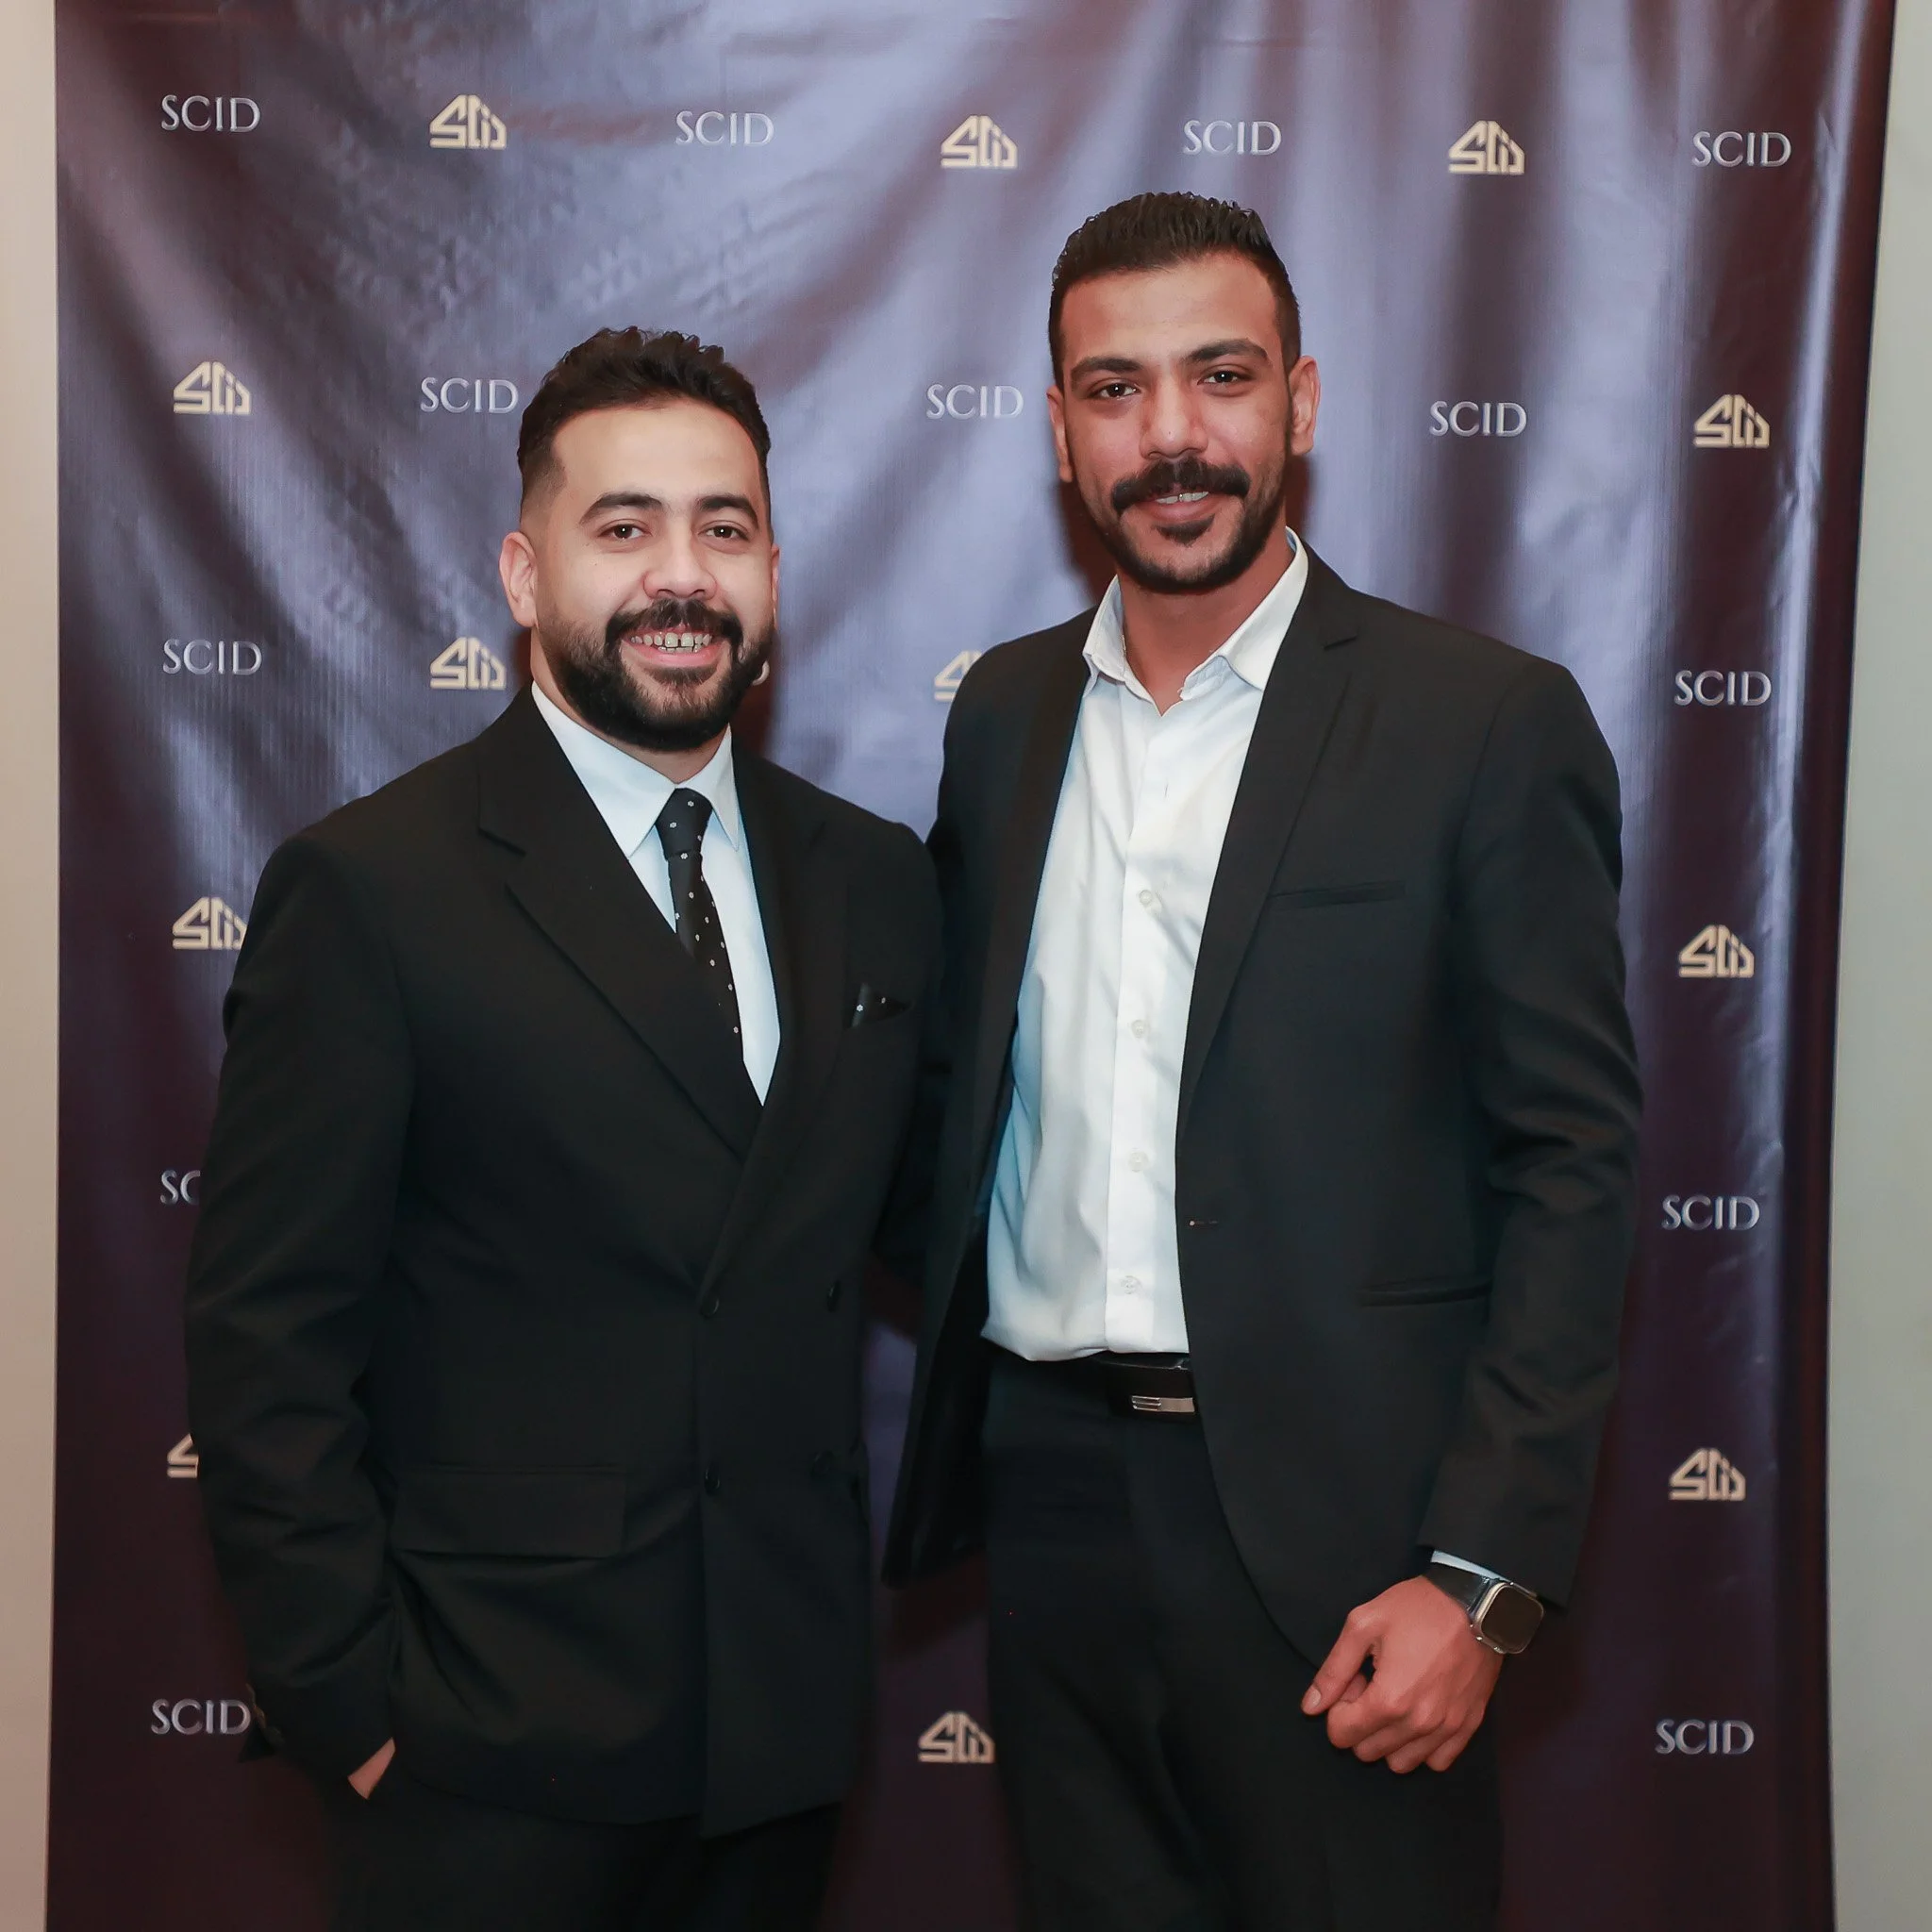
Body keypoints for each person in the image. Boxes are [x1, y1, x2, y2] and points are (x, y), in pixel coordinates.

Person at [883, 193, 1641, 1929]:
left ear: (1300, 400)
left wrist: (1483, 1574)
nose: (1172, 436)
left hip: (1355, 1542)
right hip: (1051, 1507)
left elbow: (1573, 1166)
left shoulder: (1482, 721)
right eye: (1115, 389)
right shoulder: (1001, 717)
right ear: (1060, 429)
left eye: (1219, 377)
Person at [185, 327, 937, 1931]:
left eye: (724, 527)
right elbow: (268, 1338)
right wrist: (349, 1705)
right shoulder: (373, 891)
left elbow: (926, 1218)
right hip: (481, 1751)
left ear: (774, 572)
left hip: (780, 1740)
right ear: (525, 576)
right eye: (625, 526)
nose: (682, 575)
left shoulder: (874, 879)